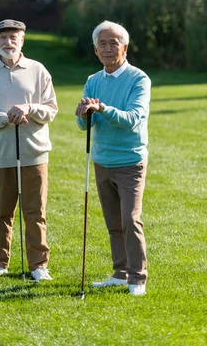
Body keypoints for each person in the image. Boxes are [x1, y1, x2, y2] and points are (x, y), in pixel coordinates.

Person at [0, 19, 58, 282]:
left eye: (13, 37)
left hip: (34, 152)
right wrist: (5, 117)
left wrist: (29, 108)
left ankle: (38, 265)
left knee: (35, 212)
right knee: (2, 212)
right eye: (2, 38)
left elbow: (51, 110)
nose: (8, 42)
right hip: (0, 153)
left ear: (22, 40)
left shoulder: (38, 70)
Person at [75, 20, 151, 296]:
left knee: (130, 219)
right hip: (101, 160)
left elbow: (131, 119)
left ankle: (137, 278)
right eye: (102, 44)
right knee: (113, 222)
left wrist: (102, 107)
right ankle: (120, 273)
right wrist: (84, 113)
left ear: (125, 47)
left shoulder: (139, 79)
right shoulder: (93, 81)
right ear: (96, 51)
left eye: (113, 43)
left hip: (130, 161)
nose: (108, 49)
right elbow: (85, 126)